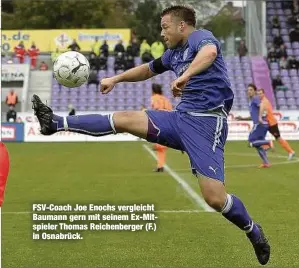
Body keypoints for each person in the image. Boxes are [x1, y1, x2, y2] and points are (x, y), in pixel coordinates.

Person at [31, 5, 270, 265]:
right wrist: (116, 78)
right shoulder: (173, 54)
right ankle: (55, 123)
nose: (161, 33)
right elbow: (147, 69)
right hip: (180, 119)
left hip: (207, 124)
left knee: (214, 198)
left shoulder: (199, 37)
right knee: (123, 119)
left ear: (182, 26)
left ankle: (252, 230)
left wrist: (185, 76)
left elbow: (210, 53)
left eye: (165, 27)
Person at [236, 84, 273, 168]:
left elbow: (262, 106)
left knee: (251, 141)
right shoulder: (252, 101)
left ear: (254, 91)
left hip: (260, 124)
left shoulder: (255, 98)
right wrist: (242, 119)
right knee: (258, 145)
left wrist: (260, 117)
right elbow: (253, 116)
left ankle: (268, 143)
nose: (249, 91)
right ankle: (266, 163)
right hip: (262, 124)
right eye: (248, 90)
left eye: (251, 90)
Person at [257, 88, 295, 160]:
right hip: (268, 123)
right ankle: (267, 147)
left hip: (272, 124)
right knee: (260, 136)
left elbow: (265, 113)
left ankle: (290, 151)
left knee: (278, 138)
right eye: (258, 94)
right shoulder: (263, 101)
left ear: (263, 94)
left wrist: (259, 116)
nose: (259, 95)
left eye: (260, 93)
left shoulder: (265, 102)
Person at [150, 84, 172, 172]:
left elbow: (156, 108)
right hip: (168, 121)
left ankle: (157, 145)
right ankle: (160, 166)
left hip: (160, 121)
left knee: (160, 145)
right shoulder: (165, 98)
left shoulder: (154, 98)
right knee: (161, 148)